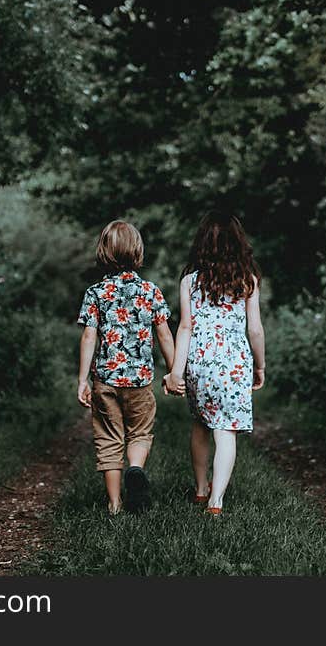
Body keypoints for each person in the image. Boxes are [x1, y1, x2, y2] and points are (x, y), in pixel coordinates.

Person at [164, 211, 265, 516]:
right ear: (238, 244)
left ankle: (199, 488)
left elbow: (185, 327)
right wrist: (260, 365)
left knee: (200, 424)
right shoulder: (248, 280)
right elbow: (255, 329)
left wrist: (176, 372)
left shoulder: (190, 282)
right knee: (226, 432)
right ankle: (216, 501)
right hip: (234, 364)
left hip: (200, 363)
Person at [76, 220, 175, 515]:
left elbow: (89, 335)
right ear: (137, 250)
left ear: (104, 251)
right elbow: (165, 334)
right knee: (140, 433)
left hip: (105, 380)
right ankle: (135, 468)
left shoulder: (95, 292)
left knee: (108, 438)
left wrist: (82, 379)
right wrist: (173, 372)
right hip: (140, 380)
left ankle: (115, 504)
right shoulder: (150, 291)